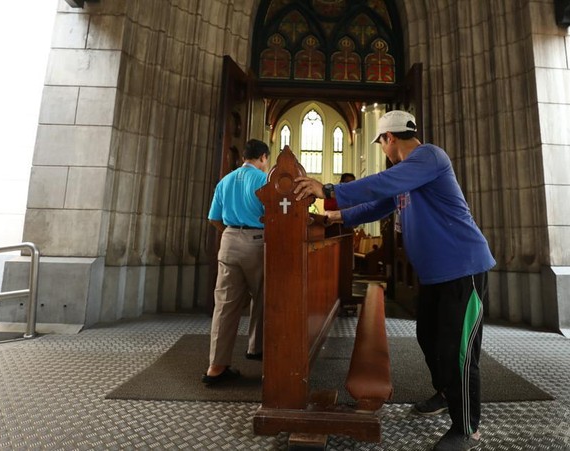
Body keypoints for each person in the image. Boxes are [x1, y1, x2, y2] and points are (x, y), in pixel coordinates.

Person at [293, 110, 495, 451]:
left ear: (388, 139)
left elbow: (379, 185)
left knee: (457, 351)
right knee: (429, 338)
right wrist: (335, 215)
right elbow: (377, 204)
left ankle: (467, 428)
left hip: (464, 270)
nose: (383, 150)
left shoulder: (428, 157)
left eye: (382, 143)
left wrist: (328, 188)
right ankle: (447, 393)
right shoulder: (406, 175)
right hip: (436, 275)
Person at [203, 139, 271, 385]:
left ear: (244, 156)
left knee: (224, 305)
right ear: (263, 157)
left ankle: (216, 367)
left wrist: (232, 233)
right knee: (263, 296)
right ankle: (256, 348)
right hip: (258, 241)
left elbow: (213, 218)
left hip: (229, 239)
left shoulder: (225, 181)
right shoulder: (264, 180)